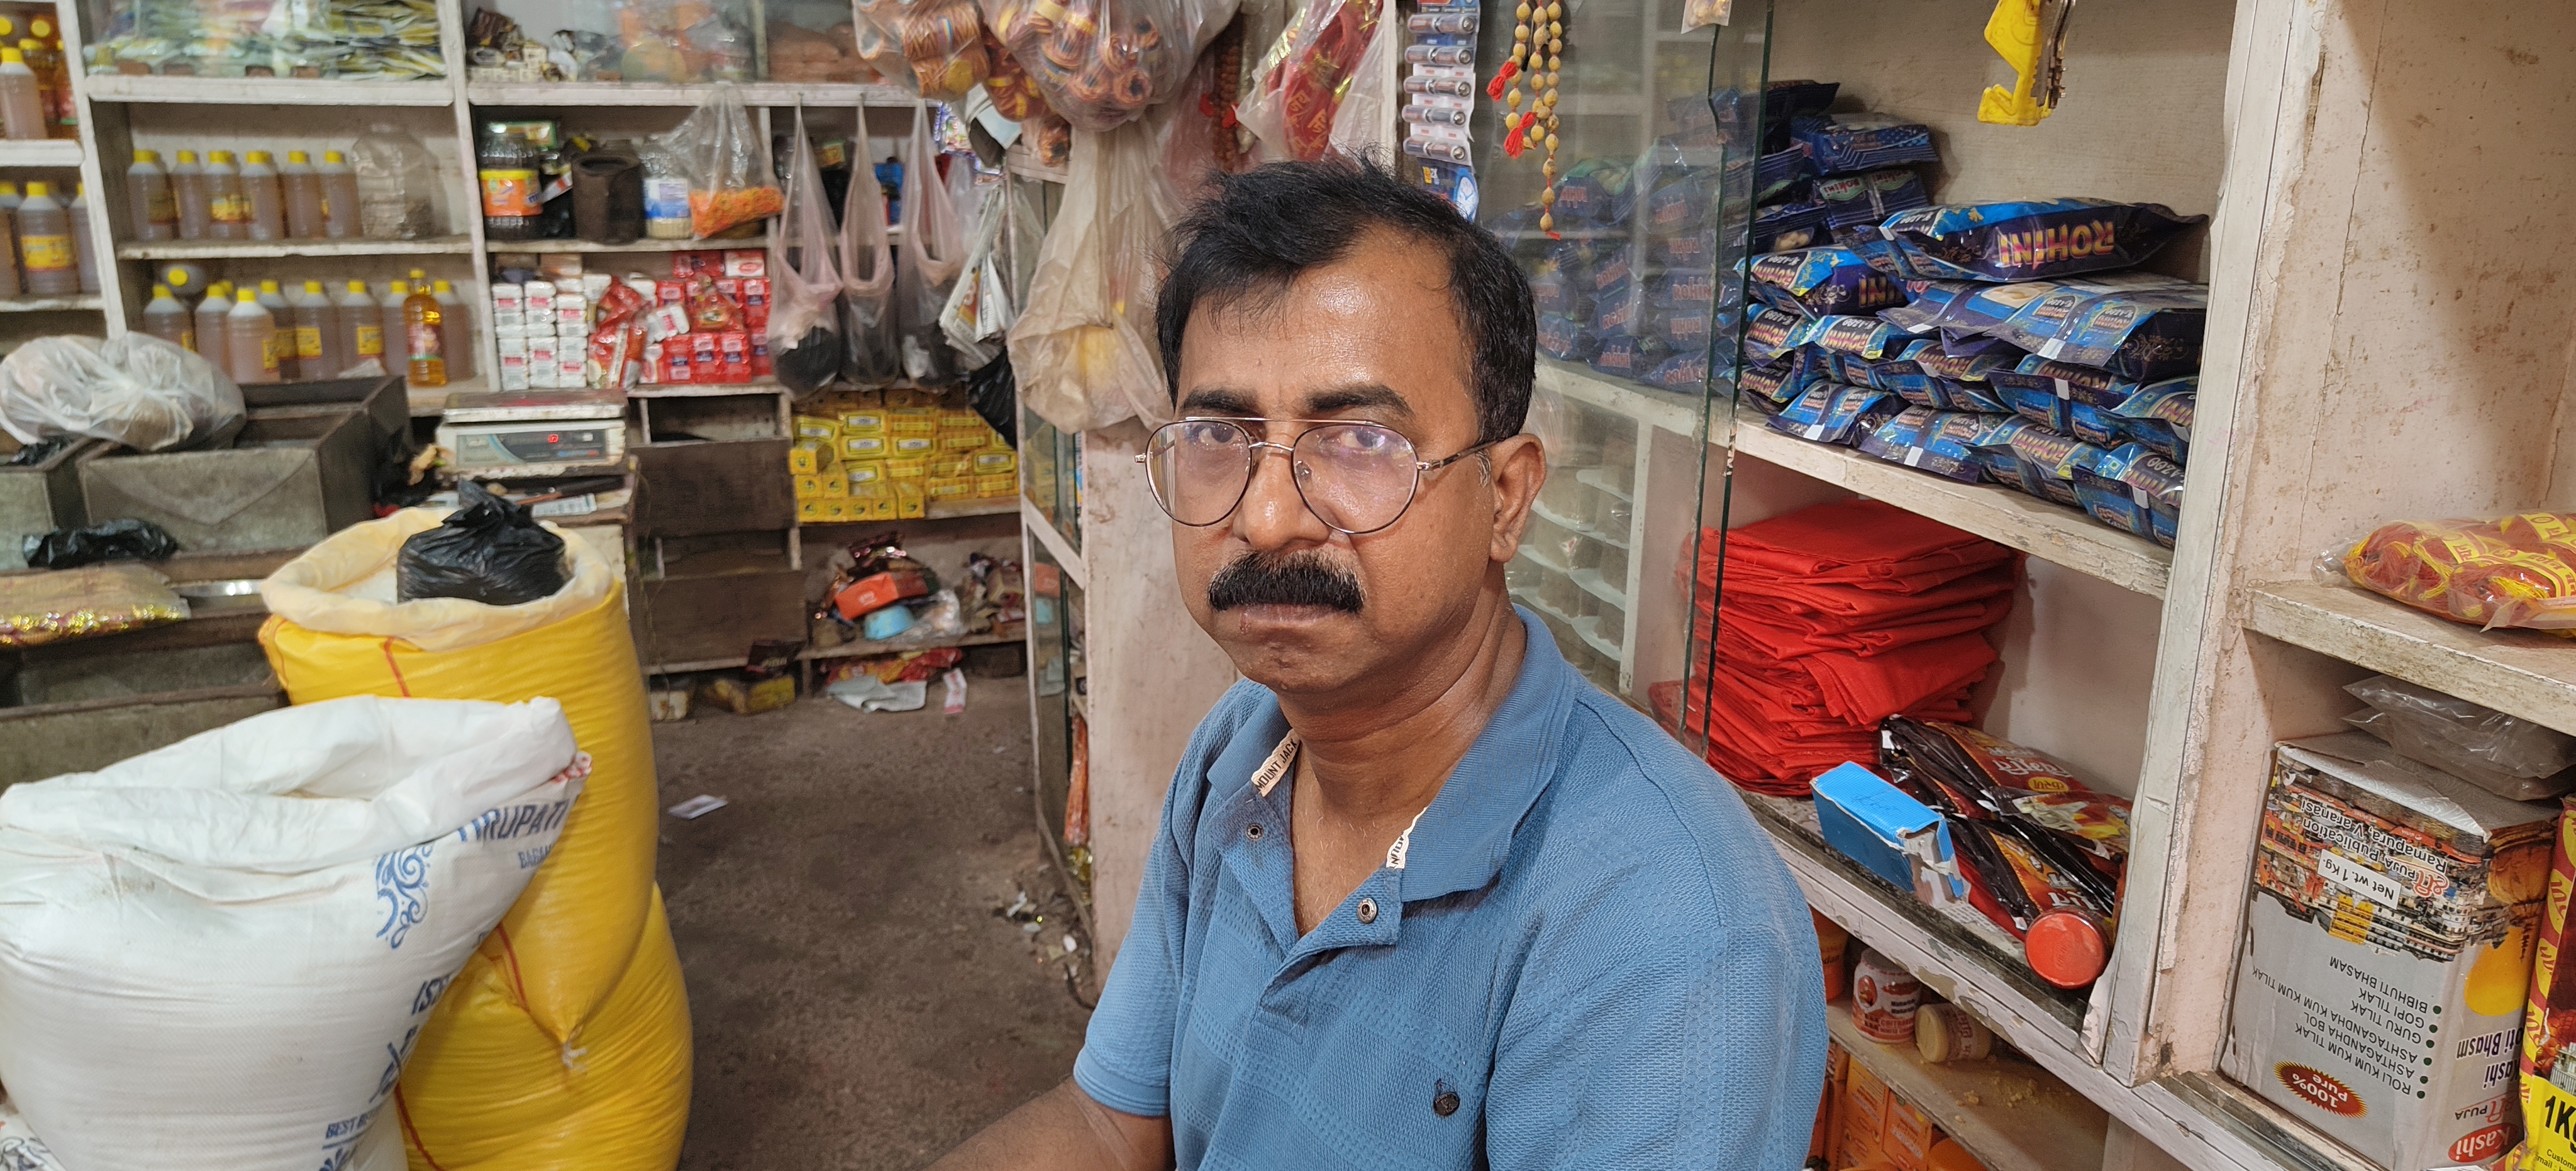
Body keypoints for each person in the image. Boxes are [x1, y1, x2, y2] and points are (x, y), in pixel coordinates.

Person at [932, 157, 1823, 1170]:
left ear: (1505, 497)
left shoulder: (1664, 923)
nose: (1265, 516)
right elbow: (1111, 1125)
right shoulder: (1244, 753)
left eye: (1359, 438)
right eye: (1220, 433)